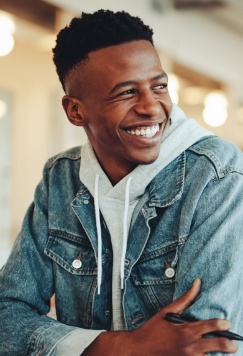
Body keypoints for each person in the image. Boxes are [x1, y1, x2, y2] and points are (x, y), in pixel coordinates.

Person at [0, 9, 243, 356]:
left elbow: (210, 346)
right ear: (75, 111)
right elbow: (6, 314)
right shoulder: (61, 179)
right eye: (126, 92)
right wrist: (121, 346)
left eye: (159, 86)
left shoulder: (217, 174)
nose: (152, 107)